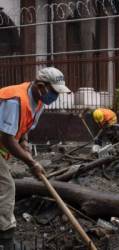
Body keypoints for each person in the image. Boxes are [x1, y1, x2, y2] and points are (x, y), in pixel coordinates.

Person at [0, 67, 71, 249]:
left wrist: (24, 141)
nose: (55, 97)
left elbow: (23, 128)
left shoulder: (38, 102)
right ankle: (5, 240)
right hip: (3, 143)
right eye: (54, 92)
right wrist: (32, 162)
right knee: (7, 187)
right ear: (41, 86)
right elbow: (7, 139)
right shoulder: (16, 100)